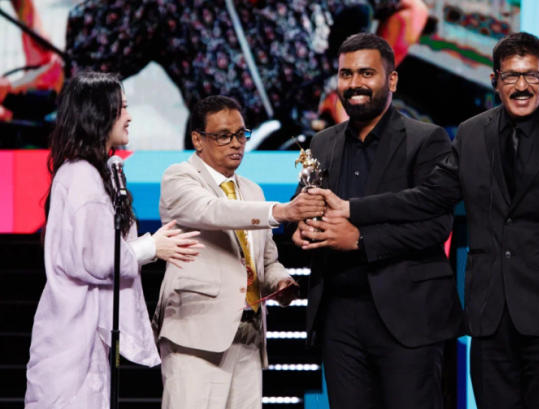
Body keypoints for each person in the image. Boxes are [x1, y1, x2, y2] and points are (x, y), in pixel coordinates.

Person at [314, 32, 539, 408]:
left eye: (531, 75)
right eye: (511, 76)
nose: (522, 86)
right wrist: (353, 209)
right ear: (495, 81)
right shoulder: (472, 133)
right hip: (489, 319)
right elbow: (428, 197)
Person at [288, 33, 463, 409]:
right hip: (338, 318)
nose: (354, 84)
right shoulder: (322, 144)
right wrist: (299, 228)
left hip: (407, 315)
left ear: (392, 80)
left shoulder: (427, 140)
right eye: (345, 74)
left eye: (366, 73)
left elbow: (437, 225)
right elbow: (301, 204)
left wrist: (360, 241)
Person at [25, 71, 203, 409]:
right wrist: (153, 247)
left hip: (79, 342)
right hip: (71, 348)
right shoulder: (81, 176)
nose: (129, 116)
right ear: (98, 114)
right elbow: (96, 258)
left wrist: (151, 246)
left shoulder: (91, 172)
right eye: (122, 108)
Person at [63, 0, 428, 148]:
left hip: (323, 149)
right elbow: (85, 66)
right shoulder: (172, 8)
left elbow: (410, 11)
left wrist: (352, 86)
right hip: (223, 167)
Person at [152, 95, 321, 409]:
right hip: (196, 337)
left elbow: (266, 260)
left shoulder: (253, 190)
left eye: (241, 134)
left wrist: (280, 280)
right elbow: (213, 211)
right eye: (223, 135)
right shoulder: (179, 177)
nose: (236, 143)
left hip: (248, 338)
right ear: (197, 140)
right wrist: (281, 211)